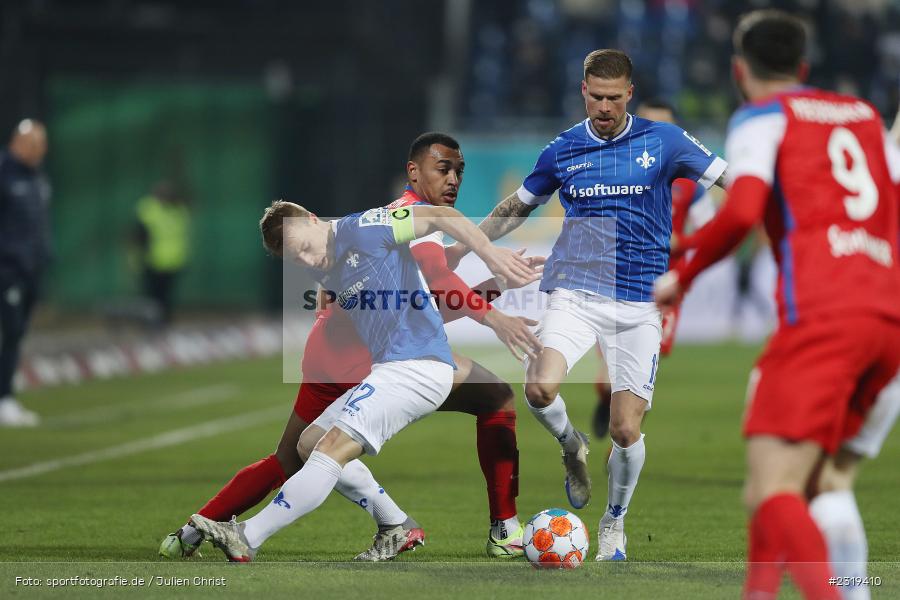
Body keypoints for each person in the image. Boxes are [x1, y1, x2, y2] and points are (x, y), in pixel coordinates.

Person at [161, 133, 540, 561]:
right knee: (306, 446)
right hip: (370, 365)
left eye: (304, 247)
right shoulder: (331, 264)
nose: (304, 260)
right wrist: (491, 286)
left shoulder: (365, 227)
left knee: (320, 452)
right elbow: (419, 292)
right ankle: (397, 524)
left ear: (313, 218)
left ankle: (246, 536)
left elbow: (436, 222)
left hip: (406, 366)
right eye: (294, 259)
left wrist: (491, 262)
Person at [653, 10, 900, 599]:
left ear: (740, 71)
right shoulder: (863, 116)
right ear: (805, 66)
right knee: (824, 484)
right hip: (887, 321)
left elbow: (740, 210)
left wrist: (683, 273)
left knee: (772, 493)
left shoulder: (763, 117)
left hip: (824, 320)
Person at [447, 49, 727, 562]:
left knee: (625, 428)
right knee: (538, 388)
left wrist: (779, 204)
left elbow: (732, 181)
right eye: (595, 96)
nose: (604, 106)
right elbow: (515, 208)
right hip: (575, 290)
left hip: (639, 302)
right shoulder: (564, 149)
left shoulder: (663, 141)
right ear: (583, 91)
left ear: (629, 95)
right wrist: (464, 245)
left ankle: (614, 524)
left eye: (614, 98)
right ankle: (571, 445)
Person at [591, 98, 718, 439]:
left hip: (664, 284)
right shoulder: (610, 168)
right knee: (607, 379)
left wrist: (684, 242)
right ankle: (607, 401)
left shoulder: (690, 184)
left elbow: (712, 228)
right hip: (615, 277)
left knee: (641, 372)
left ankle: (624, 441)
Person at [0, 119, 50, 428]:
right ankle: (4, 397)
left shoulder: (39, 179)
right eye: (33, 144)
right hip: (6, 270)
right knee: (12, 329)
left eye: (42, 145)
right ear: (16, 142)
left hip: (31, 269)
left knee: (17, 334)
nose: (38, 151)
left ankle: (5, 396)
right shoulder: (3, 173)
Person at [133, 181, 190, 327]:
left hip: (173, 261)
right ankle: (149, 324)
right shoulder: (148, 210)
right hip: (152, 260)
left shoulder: (179, 210)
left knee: (166, 297)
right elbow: (139, 235)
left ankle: (163, 325)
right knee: (151, 296)